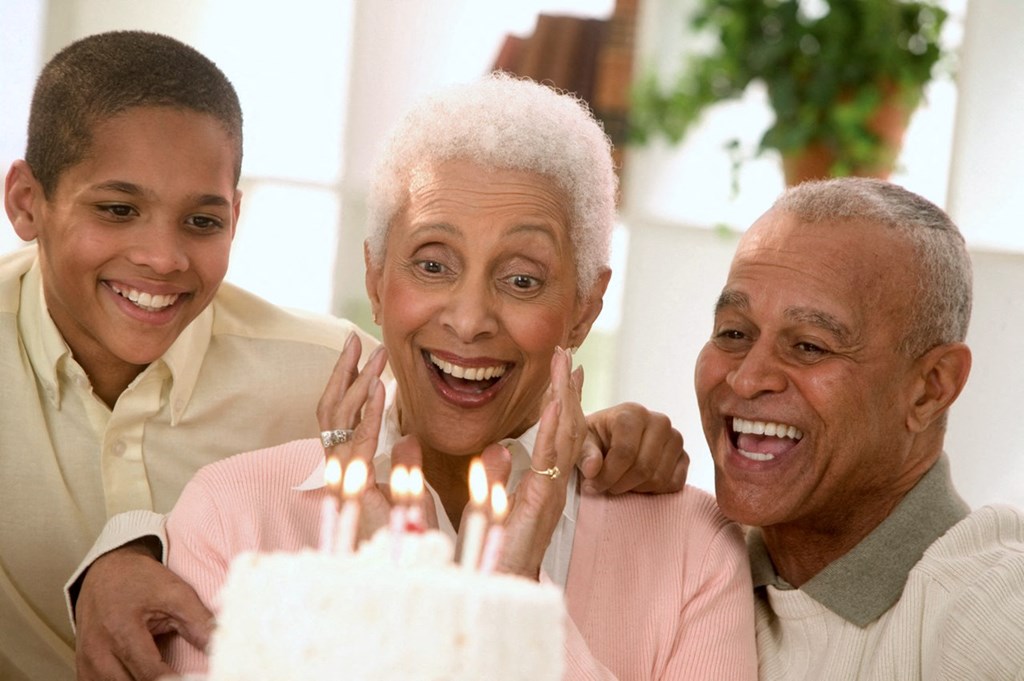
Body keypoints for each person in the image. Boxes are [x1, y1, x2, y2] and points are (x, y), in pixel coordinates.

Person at [0, 31, 688, 681]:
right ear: (26, 203)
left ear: (235, 218)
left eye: (202, 220)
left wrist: (604, 435)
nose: (161, 256)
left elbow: (478, 391)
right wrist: (126, 548)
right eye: (117, 209)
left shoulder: (333, 371)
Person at [159, 73, 758, 679]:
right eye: (433, 264)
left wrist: (514, 602)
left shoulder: (694, 553)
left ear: (585, 307)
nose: (470, 320)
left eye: (522, 279)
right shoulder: (231, 517)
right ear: (375, 279)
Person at [694, 177, 1024, 679]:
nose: (747, 377)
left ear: (930, 388)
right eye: (734, 333)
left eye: (809, 346)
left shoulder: (994, 618)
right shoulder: (692, 563)